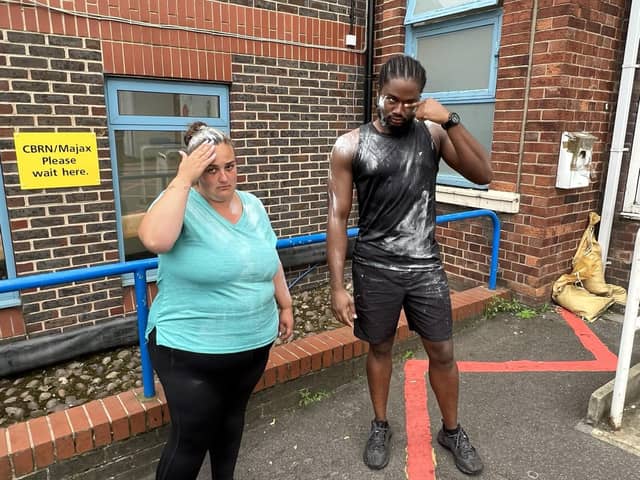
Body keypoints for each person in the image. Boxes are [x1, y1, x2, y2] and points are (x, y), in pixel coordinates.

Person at [327, 55, 492, 475]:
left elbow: (483, 174)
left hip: (425, 267)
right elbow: (338, 216)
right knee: (379, 347)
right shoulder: (351, 145)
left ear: (421, 101)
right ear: (378, 92)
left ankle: (451, 431)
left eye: (410, 102)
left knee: (442, 350)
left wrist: (451, 120)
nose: (399, 109)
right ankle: (380, 424)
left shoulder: (433, 134)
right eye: (391, 99)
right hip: (375, 266)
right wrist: (337, 285)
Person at [138, 122, 294, 480]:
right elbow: (155, 239)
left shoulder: (253, 205)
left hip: (252, 344)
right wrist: (181, 180)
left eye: (230, 166)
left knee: (230, 423)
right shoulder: (179, 202)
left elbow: (269, 260)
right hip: (188, 351)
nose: (224, 177)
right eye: (210, 169)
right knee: (191, 437)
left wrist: (284, 304)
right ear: (193, 171)